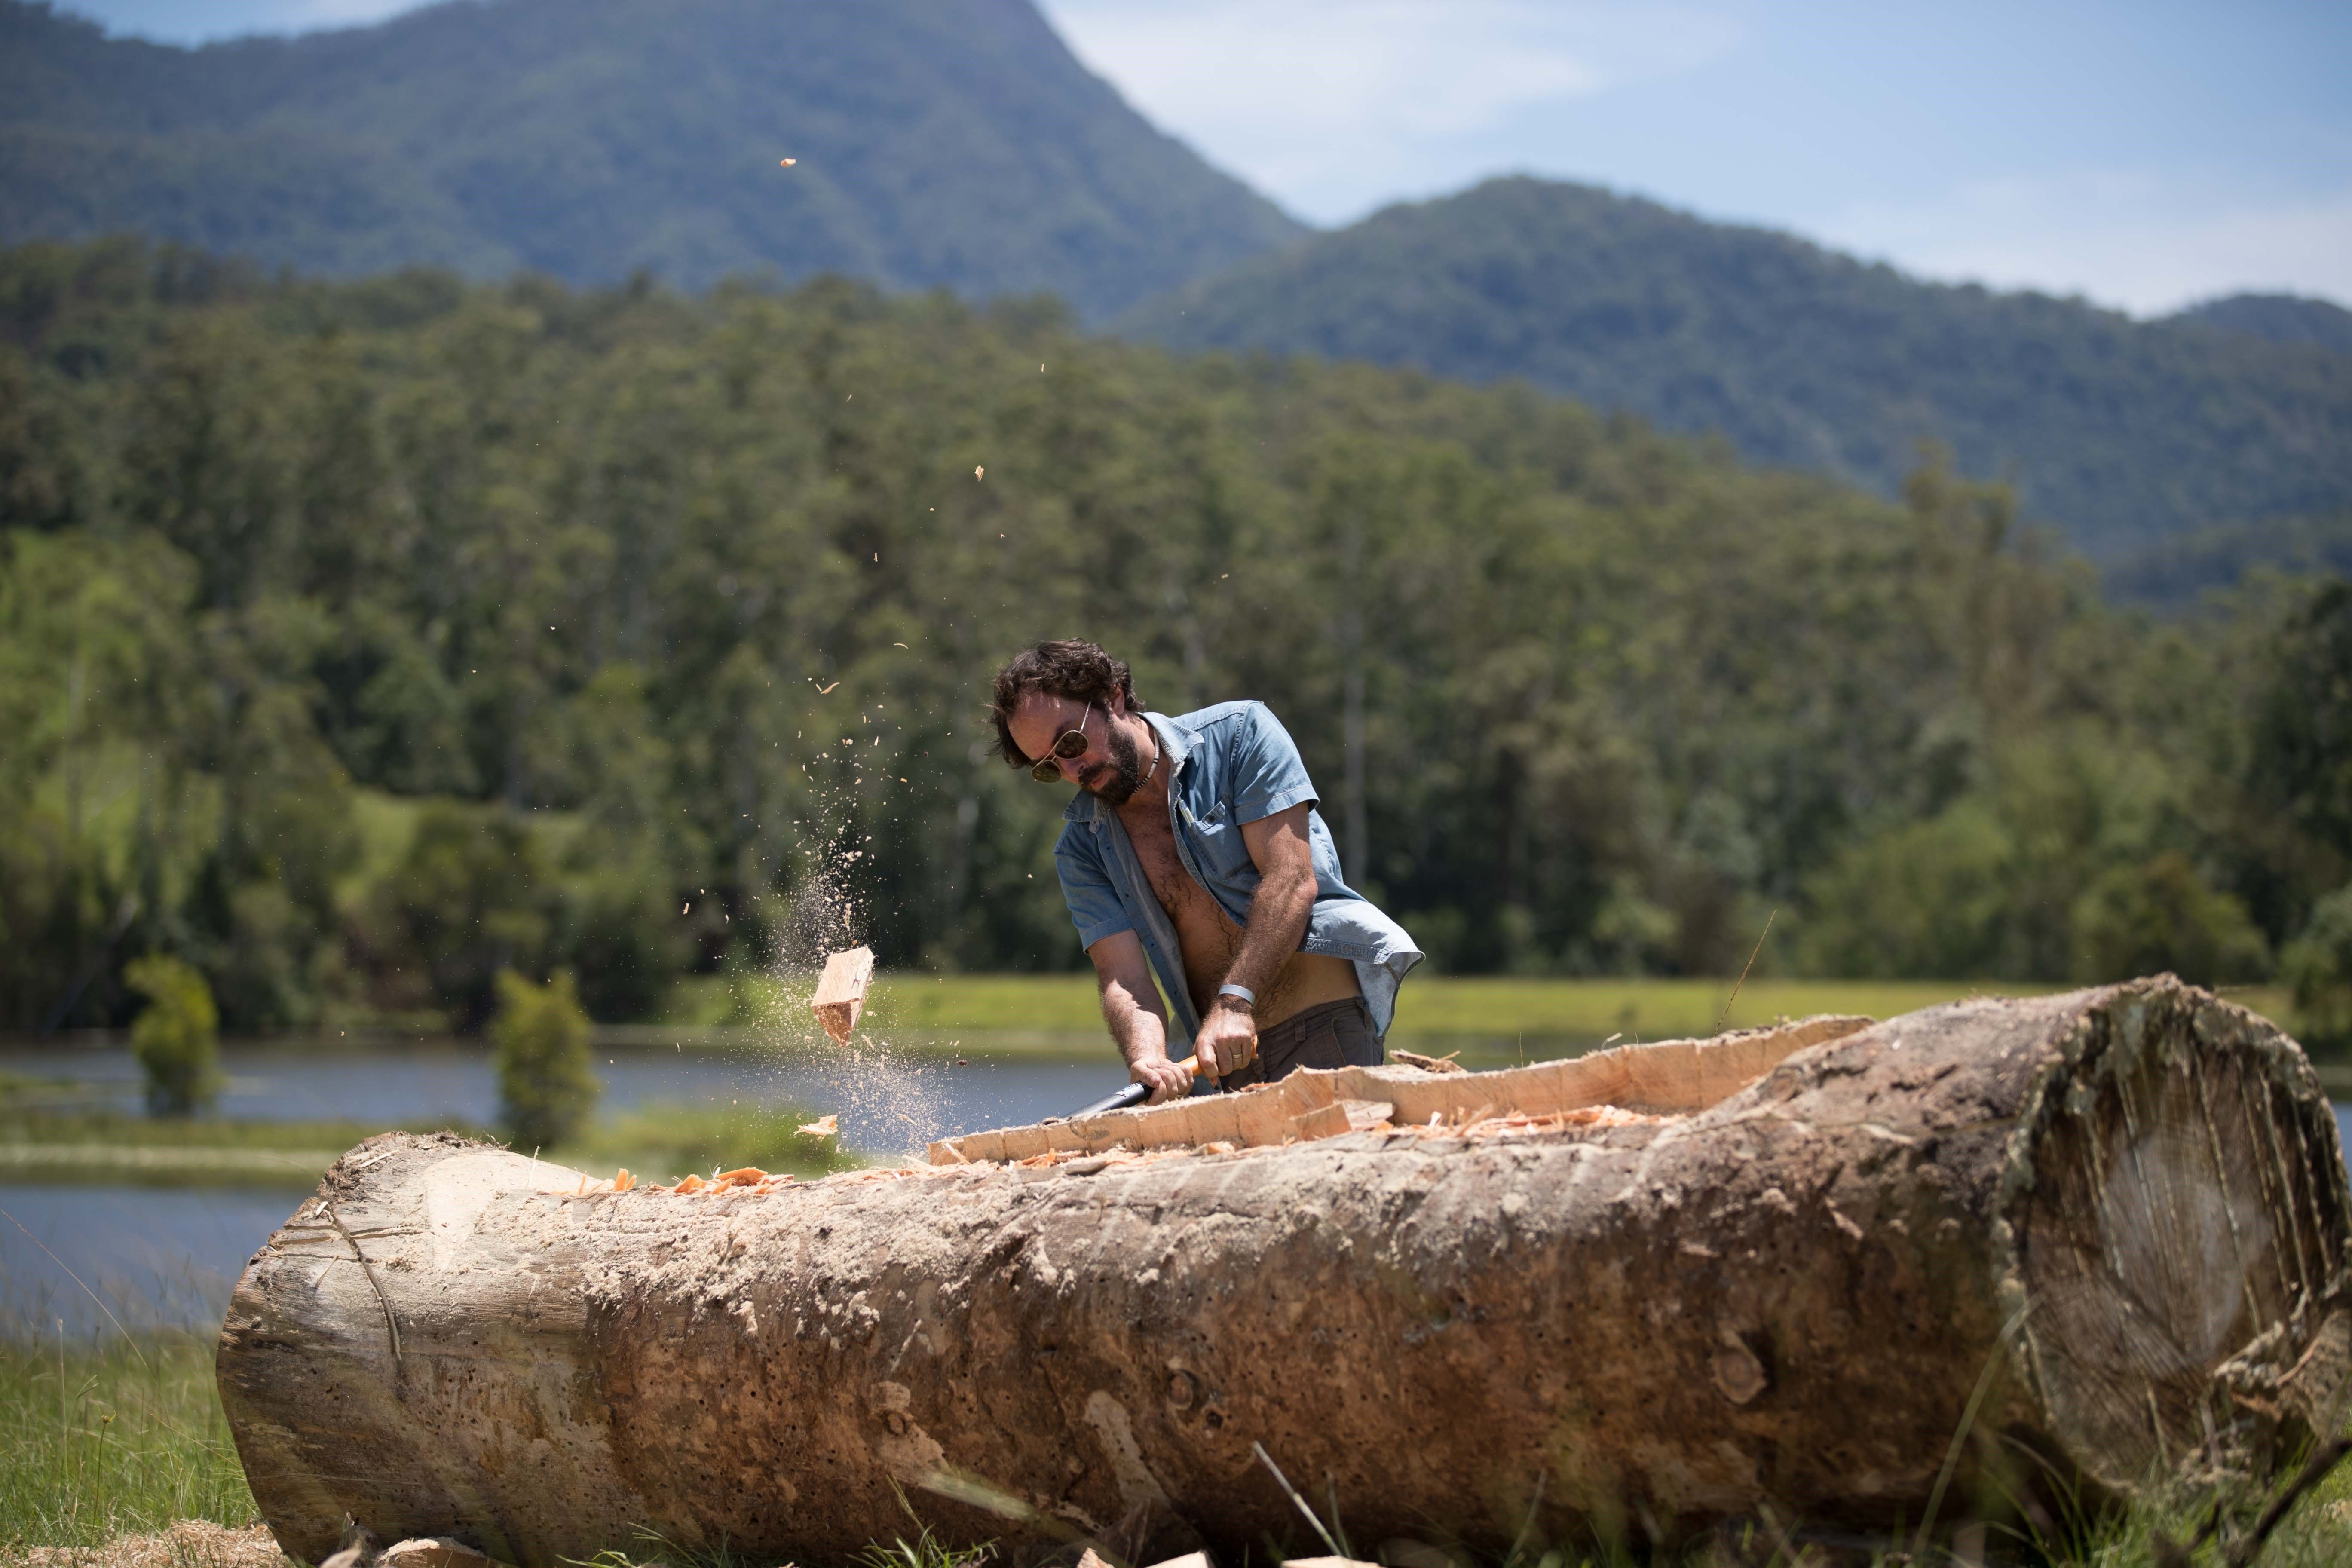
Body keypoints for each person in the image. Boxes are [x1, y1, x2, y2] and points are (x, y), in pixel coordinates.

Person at [991, 640, 1420, 1102]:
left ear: (1112, 697)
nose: (1072, 768)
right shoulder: (1080, 849)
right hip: (1217, 1067)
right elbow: (1125, 979)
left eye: (1070, 743)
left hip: (1320, 1026)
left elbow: (1291, 881)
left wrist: (1236, 1002)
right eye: (1049, 767)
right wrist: (1149, 1057)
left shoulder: (1239, 735)